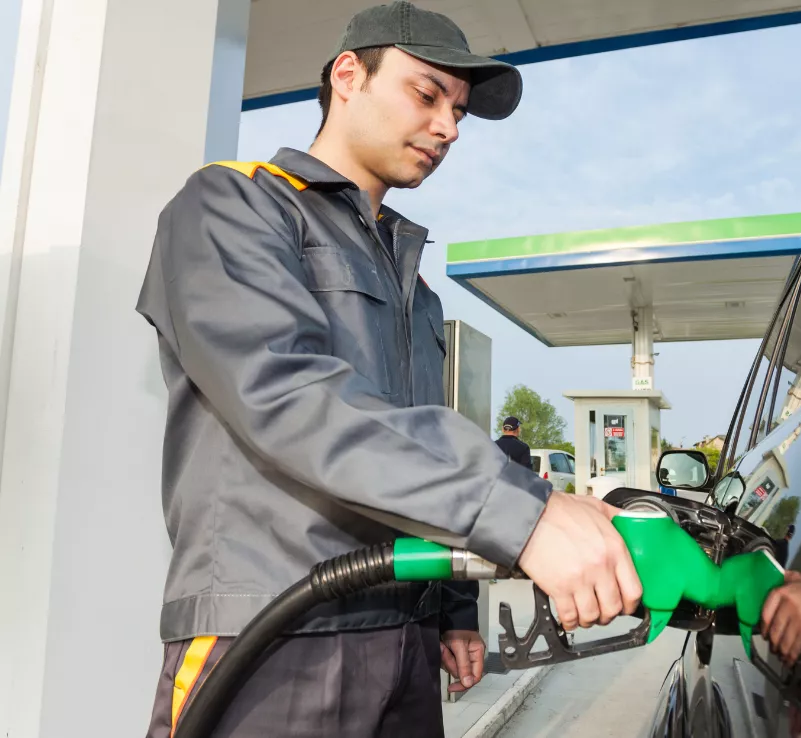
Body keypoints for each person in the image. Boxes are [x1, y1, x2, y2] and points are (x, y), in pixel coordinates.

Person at [135, 3, 641, 736]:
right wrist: (523, 515)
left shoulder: (418, 289)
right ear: (349, 76)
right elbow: (286, 394)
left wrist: (453, 611)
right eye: (427, 94)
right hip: (274, 631)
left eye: (458, 112)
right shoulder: (234, 204)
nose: (449, 128)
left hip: (404, 635)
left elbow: (418, 433)